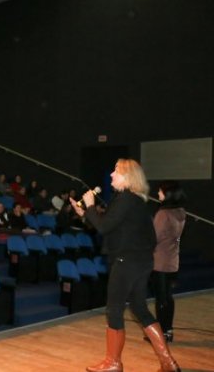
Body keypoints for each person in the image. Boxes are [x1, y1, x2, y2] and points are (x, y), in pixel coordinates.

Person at [71, 159, 179, 372]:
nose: (111, 175)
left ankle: (113, 363)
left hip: (126, 261)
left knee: (114, 310)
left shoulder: (126, 199)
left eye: (115, 172)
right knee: (139, 308)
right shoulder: (135, 200)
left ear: (127, 177)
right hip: (141, 262)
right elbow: (109, 226)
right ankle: (168, 362)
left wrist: (91, 205)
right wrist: (85, 214)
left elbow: (103, 228)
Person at [151, 181, 186, 342]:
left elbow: (154, 237)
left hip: (160, 261)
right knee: (168, 297)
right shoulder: (180, 212)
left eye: (160, 192)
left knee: (161, 299)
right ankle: (169, 330)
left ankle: (162, 333)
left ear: (167, 194)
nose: (158, 194)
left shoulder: (163, 214)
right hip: (173, 260)